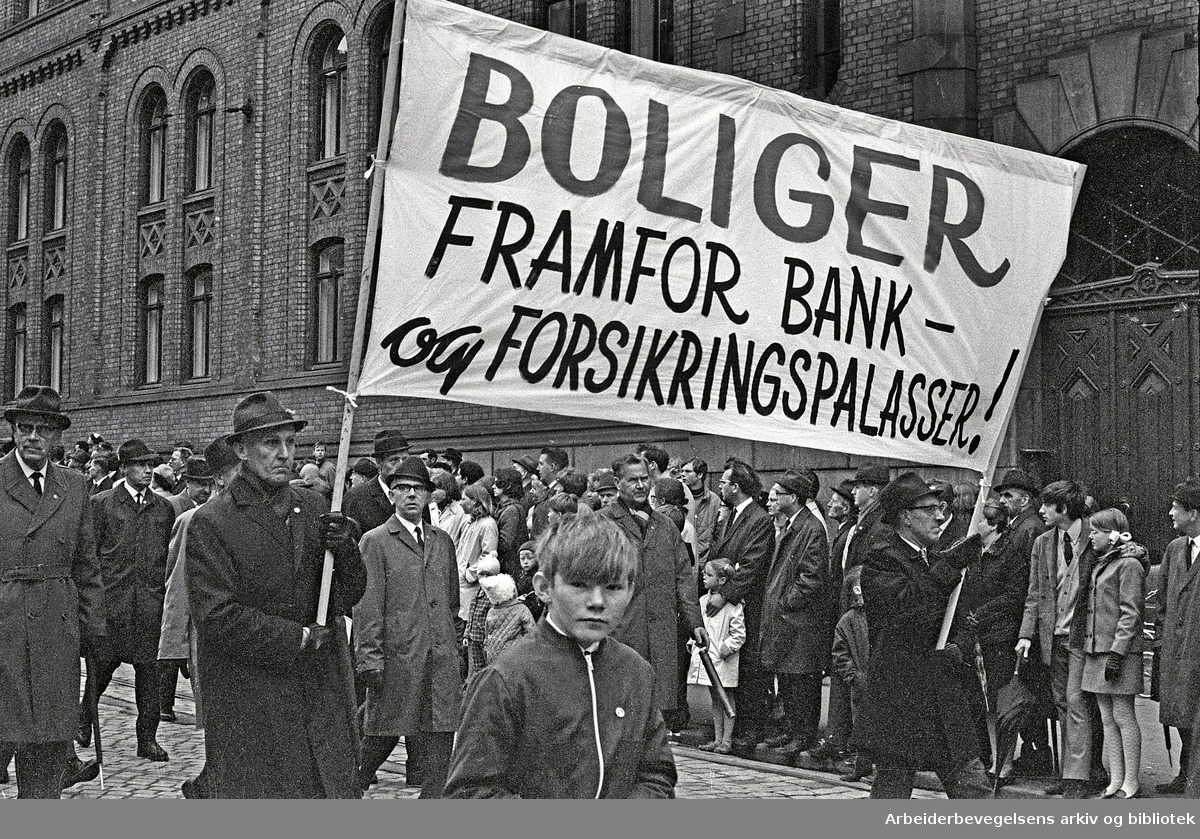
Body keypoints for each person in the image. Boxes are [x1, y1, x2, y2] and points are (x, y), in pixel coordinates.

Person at [186, 391, 366, 798]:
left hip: (318, 695)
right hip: (252, 700)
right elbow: (217, 616)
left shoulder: (315, 505)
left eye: (290, 442)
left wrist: (346, 551)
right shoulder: (213, 522)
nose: (284, 454)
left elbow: (343, 596)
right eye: (271, 443)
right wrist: (298, 638)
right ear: (242, 450)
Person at [445, 515, 677, 798]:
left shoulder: (636, 672)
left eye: (613, 587)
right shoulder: (508, 677)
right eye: (579, 585)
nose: (597, 601)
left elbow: (656, 775)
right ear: (544, 588)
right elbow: (470, 793)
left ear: (631, 590)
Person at [856, 471, 990, 799]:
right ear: (905, 516)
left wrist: (959, 641)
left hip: (941, 690)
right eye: (929, 510)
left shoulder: (930, 554)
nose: (940, 516)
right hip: (902, 694)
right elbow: (909, 607)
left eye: (941, 508)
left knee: (971, 783)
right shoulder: (882, 559)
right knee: (893, 784)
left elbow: (957, 611)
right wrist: (952, 563)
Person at [0, 386, 106, 798]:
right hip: (5, 630)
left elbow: (87, 565)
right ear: (13, 430)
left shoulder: (76, 487)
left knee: (45, 753)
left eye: (43, 429)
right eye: (25, 427)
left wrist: (93, 626)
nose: (33, 437)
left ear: (57, 437)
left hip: (54, 636)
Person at [354, 456, 461, 799]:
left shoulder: (442, 540)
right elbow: (367, 606)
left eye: (419, 489)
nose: (411, 495)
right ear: (393, 496)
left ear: (430, 495)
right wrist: (370, 659)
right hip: (398, 660)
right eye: (403, 488)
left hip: (439, 659)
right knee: (379, 737)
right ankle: (344, 793)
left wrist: (450, 645)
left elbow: (452, 600)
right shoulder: (376, 541)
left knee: (441, 740)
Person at [84, 438, 176, 762]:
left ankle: (146, 739)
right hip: (113, 605)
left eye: (151, 465)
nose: (148, 470)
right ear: (123, 468)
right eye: (141, 464)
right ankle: (84, 718)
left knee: (148, 673)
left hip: (149, 605)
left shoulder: (164, 509)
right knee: (102, 668)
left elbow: (167, 558)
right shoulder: (102, 504)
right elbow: (89, 557)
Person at [157, 436, 240, 798]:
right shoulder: (194, 520)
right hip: (207, 635)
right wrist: (173, 644)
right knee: (219, 716)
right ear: (221, 478)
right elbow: (178, 585)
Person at [599, 455, 705, 724]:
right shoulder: (603, 523)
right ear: (617, 483)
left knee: (655, 706)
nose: (640, 485)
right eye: (632, 480)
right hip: (621, 629)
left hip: (660, 633)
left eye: (644, 479)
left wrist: (695, 622)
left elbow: (683, 576)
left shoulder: (665, 526)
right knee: (619, 703)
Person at [1016, 479, 1098, 798]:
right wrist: (1026, 634)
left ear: (1062, 509)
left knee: (1077, 703)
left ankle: (1077, 778)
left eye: (1047, 506)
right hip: (1054, 638)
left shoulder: (1096, 534)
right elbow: (1034, 594)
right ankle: (1071, 773)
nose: (1040, 511)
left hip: (1084, 636)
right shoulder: (1043, 542)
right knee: (1063, 704)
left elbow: (1134, 554)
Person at [952, 499, 1028, 780]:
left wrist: (982, 614)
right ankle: (988, 756)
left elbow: (1013, 595)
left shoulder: (1009, 555)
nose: (976, 525)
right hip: (975, 636)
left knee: (1000, 703)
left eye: (981, 521)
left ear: (994, 525)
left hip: (999, 636)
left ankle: (1004, 762)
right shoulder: (974, 553)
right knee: (982, 703)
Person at [758, 470, 830, 759]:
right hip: (788, 619)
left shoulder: (810, 529)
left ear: (794, 497)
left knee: (802, 679)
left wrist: (785, 603)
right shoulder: (794, 525)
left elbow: (811, 578)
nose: (773, 496)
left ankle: (803, 735)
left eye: (780, 492)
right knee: (788, 677)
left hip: (800, 621)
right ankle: (792, 729)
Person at [706, 459, 775, 751]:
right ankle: (727, 735)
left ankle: (749, 731)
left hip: (745, 606)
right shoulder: (731, 516)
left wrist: (726, 594)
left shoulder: (758, 519)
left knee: (748, 672)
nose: (720, 486)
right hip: (730, 604)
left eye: (724, 482)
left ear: (736, 487)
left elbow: (751, 564)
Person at [1081, 508, 1145, 800]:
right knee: (1107, 718)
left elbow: (1130, 613)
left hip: (1118, 653)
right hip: (1097, 651)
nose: (1091, 536)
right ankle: (1115, 780)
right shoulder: (1103, 562)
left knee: (1123, 715)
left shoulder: (1129, 564)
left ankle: (1130, 782)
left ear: (1113, 534)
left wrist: (1118, 653)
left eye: (1096, 531)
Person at [1154, 477, 1200, 796]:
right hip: (1175, 650)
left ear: (1194, 513)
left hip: (1197, 650)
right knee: (1180, 714)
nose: (1171, 513)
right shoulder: (1174, 548)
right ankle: (1185, 775)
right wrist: (1161, 641)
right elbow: (1162, 604)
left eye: (1176, 508)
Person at [687, 558, 744, 755]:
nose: (704, 577)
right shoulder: (702, 602)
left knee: (726, 698)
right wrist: (693, 644)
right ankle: (717, 738)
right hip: (708, 659)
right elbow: (700, 628)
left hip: (723, 661)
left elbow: (739, 635)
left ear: (721, 580)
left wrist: (722, 649)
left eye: (709, 575)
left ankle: (727, 740)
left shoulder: (732, 606)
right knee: (715, 699)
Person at [831, 566, 871, 782]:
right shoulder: (848, 620)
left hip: (881, 679)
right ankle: (862, 766)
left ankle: (880, 769)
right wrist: (853, 676)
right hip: (860, 681)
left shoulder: (882, 615)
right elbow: (840, 652)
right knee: (860, 726)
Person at [343, 429, 412, 535]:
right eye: (393, 460)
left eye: (405, 459)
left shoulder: (416, 494)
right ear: (379, 463)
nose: (401, 466)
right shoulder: (356, 498)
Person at [481, 573, 535, 664]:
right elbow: (532, 633)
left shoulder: (491, 611)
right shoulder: (521, 609)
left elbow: (487, 634)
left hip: (493, 656)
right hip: (514, 657)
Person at [465, 555, 501, 677]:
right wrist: (466, 634)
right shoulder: (476, 593)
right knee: (477, 667)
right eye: (481, 575)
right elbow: (471, 616)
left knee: (489, 667)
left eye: (488, 575)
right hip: (473, 638)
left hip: (486, 640)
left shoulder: (494, 596)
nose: (484, 578)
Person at [493, 467, 530, 580]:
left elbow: (505, 544)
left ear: (508, 485)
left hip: (508, 568)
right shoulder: (508, 507)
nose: (493, 486)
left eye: (497, 483)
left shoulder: (511, 509)